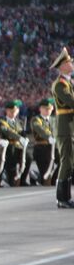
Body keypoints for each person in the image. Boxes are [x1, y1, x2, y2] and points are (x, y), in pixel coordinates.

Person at [50, 48, 74, 207]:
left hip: (69, 127)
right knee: (66, 162)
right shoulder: (60, 84)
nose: (71, 63)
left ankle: (66, 197)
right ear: (62, 66)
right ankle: (61, 198)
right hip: (64, 128)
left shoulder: (68, 82)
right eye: (69, 62)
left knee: (70, 162)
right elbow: (71, 101)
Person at [0, 100, 29, 186]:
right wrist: (20, 138)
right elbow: (7, 132)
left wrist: (25, 138)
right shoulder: (2, 122)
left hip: (18, 146)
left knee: (28, 157)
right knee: (11, 155)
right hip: (8, 147)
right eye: (11, 111)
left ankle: (22, 179)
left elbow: (23, 133)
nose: (13, 113)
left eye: (15, 111)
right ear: (6, 111)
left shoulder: (20, 122)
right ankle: (11, 177)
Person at [31, 98, 57, 185]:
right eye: (45, 108)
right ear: (40, 109)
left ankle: (54, 179)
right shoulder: (36, 120)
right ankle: (35, 175)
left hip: (53, 148)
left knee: (65, 160)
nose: (47, 111)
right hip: (41, 149)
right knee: (46, 179)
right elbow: (40, 130)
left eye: (49, 109)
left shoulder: (54, 120)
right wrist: (49, 137)